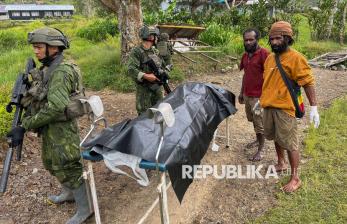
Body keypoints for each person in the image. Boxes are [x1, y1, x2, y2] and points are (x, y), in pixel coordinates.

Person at [6, 27, 93, 223]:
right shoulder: (49, 67)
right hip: (51, 127)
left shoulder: (61, 72)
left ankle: (85, 208)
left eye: (38, 47)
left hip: (62, 128)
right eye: (34, 47)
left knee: (68, 165)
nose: (35, 51)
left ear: (54, 48)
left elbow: (55, 108)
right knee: (51, 162)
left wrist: (25, 124)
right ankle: (68, 193)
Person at [259, 21, 320, 192]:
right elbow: (268, 81)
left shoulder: (296, 58)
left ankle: (295, 177)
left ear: (287, 38)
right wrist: (261, 99)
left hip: (285, 108)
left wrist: (314, 106)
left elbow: (308, 82)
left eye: (278, 38)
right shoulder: (270, 58)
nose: (274, 42)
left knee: (290, 143)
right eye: (271, 39)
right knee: (276, 138)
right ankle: (281, 162)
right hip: (268, 106)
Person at [239, 28, 269, 161]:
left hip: (259, 97)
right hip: (247, 95)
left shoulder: (264, 54)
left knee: (259, 122)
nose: (248, 42)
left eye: (251, 39)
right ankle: (258, 140)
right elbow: (246, 75)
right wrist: (241, 92)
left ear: (257, 40)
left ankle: (261, 149)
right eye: (246, 40)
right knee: (252, 119)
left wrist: (267, 95)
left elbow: (270, 76)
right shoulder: (245, 56)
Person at [128, 25, 168, 115]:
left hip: (157, 88)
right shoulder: (137, 51)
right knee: (144, 115)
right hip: (144, 90)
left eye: (154, 36)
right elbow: (131, 69)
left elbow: (162, 68)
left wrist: (165, 84)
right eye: (153, 36)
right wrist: (146, 76)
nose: (154, 38)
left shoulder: (155, 51)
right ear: (149, 37)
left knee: (159, 112)